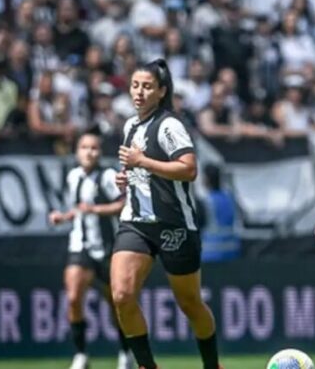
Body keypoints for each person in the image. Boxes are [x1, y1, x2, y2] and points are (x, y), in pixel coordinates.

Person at [111, 59, 222, 369]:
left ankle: (212, 365)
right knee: (121, 295)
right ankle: (147, 365)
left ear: (161, 91)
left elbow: (189, 169)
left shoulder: (170, 125)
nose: (139, 92)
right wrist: (126, 177)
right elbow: (136, 168)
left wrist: (142, 162)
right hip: (135, 223)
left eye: (147, 86)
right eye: (135, 85)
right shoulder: (129, 125)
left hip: (175, 225)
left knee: (190, 303)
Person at [48, 132, 132, 369]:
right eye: (84, 147)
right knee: (74, 297)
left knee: (116, 305)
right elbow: (79, 209)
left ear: (100, 152)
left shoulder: (107, 176)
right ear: (77, 151)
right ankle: (81, 354)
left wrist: (95, 210)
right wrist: (63, 217)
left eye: (94, 148)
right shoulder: (73, 176)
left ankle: (126, 352)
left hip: (106, 249)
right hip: (80, 246)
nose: (89, 152)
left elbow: (123, 204)